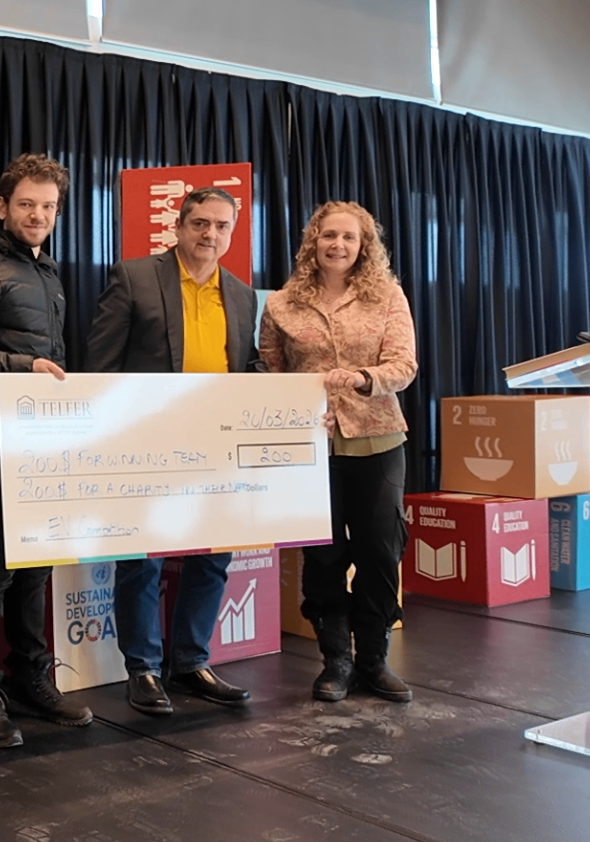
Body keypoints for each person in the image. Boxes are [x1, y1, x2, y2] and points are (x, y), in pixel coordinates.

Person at [85, 186, 261, 715]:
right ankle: (142, 669)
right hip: (147, 445)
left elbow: (245, 369)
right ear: (179, 227)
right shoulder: (135, 278)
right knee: (143, 559)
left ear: (232, 233)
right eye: (200, 223)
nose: (210, 235)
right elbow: (101, 366)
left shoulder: (242, 293)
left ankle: (190, 661)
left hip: (217, 446)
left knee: (212, 559)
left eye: (221, 227)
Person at [0, 153, 92, 747]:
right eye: (26, 204)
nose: (37, 214)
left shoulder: (47, 272)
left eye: (48, 206)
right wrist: (21, 365)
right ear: (2, 206)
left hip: (41, 443)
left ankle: (29, 675)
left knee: (37, 563)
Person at [258, 200, 417, 704]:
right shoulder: (282, 303)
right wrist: (299, 402)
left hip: (379, 439)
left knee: (379, 551)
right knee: (324, 555)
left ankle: (373, 660)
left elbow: (404, 364)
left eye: (350, 238)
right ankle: (336, 664)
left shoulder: (388, 296)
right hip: (311, 447)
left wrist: (363, 379)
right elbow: (267, 371)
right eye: (329, 235)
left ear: (364, 246)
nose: (338, 245)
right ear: (313, 241)